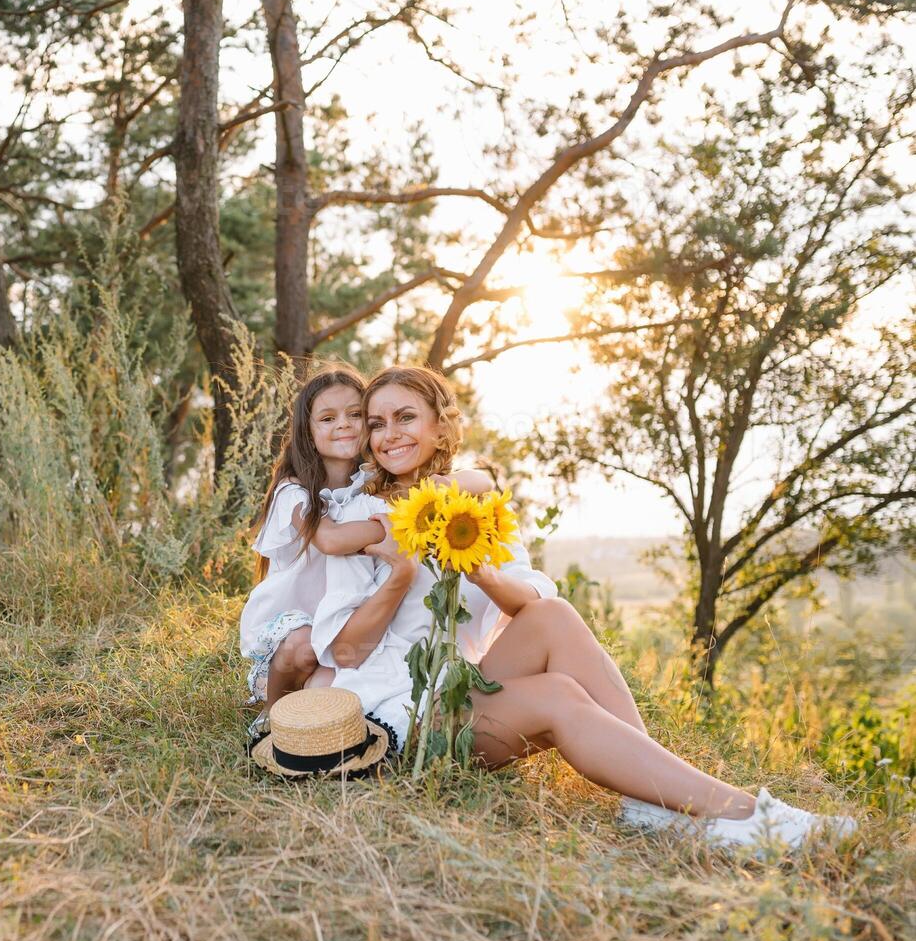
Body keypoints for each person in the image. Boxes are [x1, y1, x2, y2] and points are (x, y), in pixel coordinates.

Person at [310, 365, 856, 851]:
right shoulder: (359, 517)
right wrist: (399, 571)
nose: (389, 435)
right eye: (377, 424)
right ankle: (744, 815)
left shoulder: (476, 507)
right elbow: (344, 651)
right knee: (557, 695)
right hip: (400, 715)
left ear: (440, 426)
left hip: (459, 685)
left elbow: (529, 598)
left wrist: (480, 568)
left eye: (405, 417)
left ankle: (651, 802)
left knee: (555, 615)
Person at [241, 365, 491, 711]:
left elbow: (482, 480)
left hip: (344, 624)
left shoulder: (369, 483)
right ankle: (270, 713)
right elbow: (330, 540)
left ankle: (305, 720)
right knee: (303, 647)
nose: (343, 424)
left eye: (355, 415)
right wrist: (406, 523)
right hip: (299, 621)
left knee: (335, 690)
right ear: (307, 432)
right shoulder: (294, 492)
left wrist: (444, 488)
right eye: (327, 419)